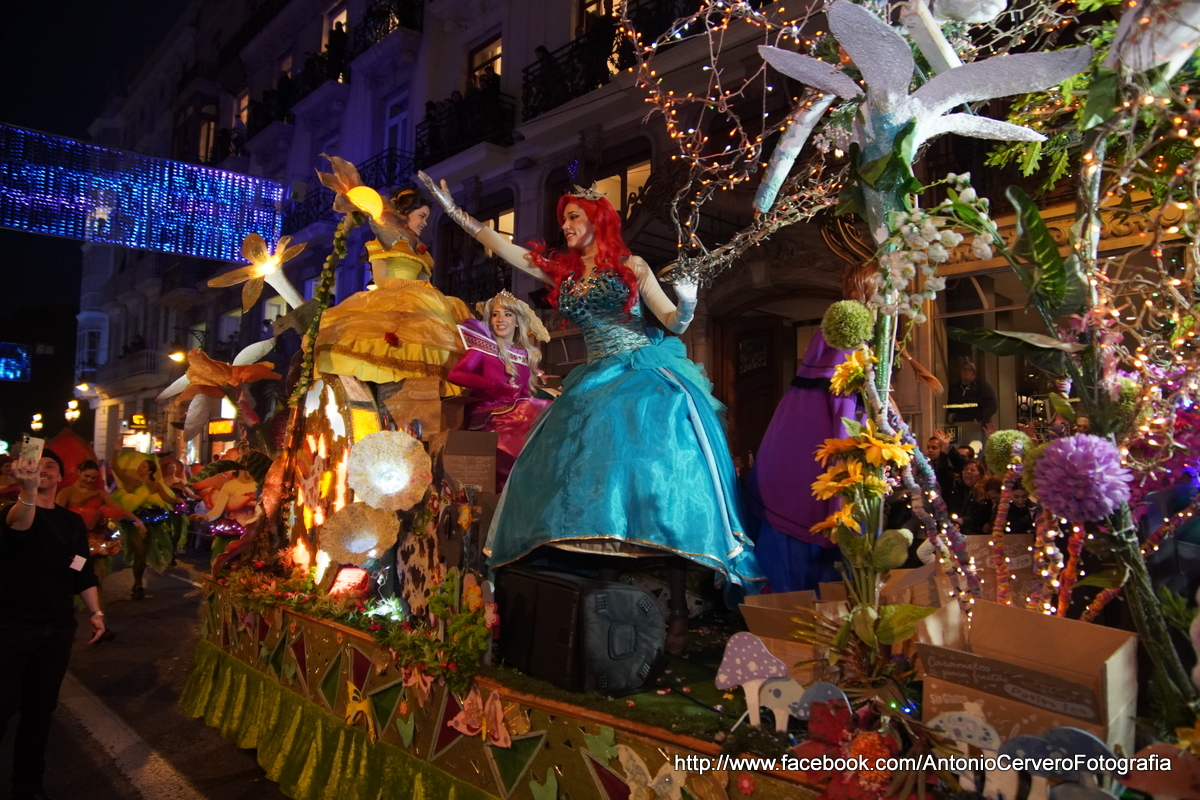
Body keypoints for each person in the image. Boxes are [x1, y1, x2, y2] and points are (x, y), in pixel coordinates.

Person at [422, 173, 765, 608]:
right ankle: (598, 578)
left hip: (640, 369)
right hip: (594, 376)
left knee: (654, 463)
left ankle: (675, 574)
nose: (565, 226)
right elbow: (507, 249)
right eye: (563, 219)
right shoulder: (563, 272)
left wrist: (689, 301)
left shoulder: (632, 265)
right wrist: (456, 214)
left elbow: (673, 322)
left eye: (573, 217)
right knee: (573, 467)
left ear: (596, 221)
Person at [0, 450, 105, 800]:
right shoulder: (13, 512)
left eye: (50, 466)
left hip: (57, 629)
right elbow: (20, 527)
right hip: (12, 627)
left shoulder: (71, 522)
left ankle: (28, 785)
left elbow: (81, 569)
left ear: (61, 477)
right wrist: (28, 491)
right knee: (2, 707)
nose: (42, 470)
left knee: (40, 711)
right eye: (35, 465)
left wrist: (96, 613)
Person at [314, 187, 471, 391]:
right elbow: (382, 280)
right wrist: (413, 286)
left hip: (420, 304)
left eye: (426, 218)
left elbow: (426, 284)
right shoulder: (384, 242)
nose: (425, 223)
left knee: (436, 333)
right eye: (421, 216)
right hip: (389, 300)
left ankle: (417, 393)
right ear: (405, 214)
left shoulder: (422, 252)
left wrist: (425, 292)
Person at [448, 291, 553, 490]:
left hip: (518, 415)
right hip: (486, 417)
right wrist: (494, 385)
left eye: (507, 314)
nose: (500, 319)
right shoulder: (481, 348)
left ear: (517, 321)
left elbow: (524, 396)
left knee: (547, 413)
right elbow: (455, 374)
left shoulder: (527, 355)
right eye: (495, 314)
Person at [57, 460, 144, 618]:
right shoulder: (66, 492)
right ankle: (65, 617)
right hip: (76, 546)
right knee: (72, 580)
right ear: (79, 472)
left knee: (96, 582)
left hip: (97, 545)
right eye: (86, 476)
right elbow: (56, 516)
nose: (89, 480)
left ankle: (99, 621)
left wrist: (137, 520)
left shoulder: (99, 494)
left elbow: (119, 508)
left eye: (93, 477)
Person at [109, 451, 177, 600]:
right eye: (140, 466)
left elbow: (167, 498)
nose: (139, 468)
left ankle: (138, 583)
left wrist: (179, 500)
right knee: (139, 551)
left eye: (143, 466)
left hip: (150, 521)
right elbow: (114, 467)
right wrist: (116, 449)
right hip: (134, 521)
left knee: (143, 553)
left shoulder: (155, 485)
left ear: (150, 471)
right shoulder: (131, 481)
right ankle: (138, 584)